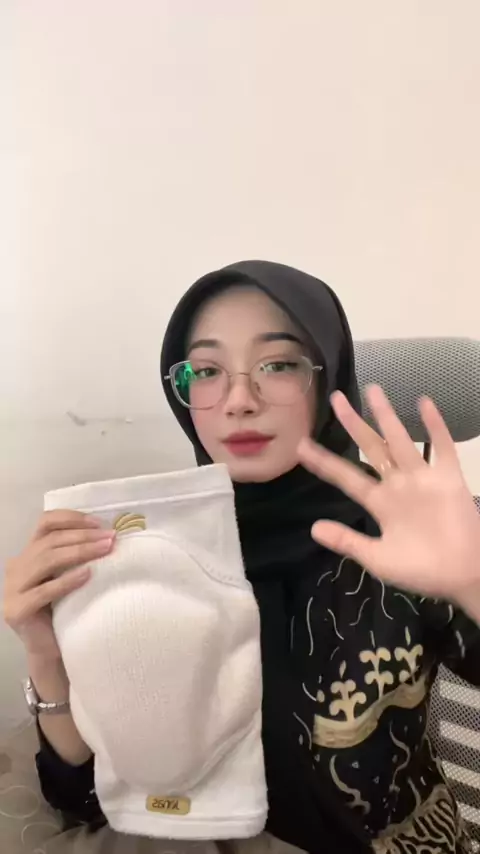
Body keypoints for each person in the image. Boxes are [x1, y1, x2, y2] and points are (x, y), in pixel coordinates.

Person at [3, 260, 480, 854]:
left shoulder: (406, 534)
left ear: (329, 378)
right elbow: (86, 799)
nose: (238, 401)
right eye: (206, 371)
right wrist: (46, 652)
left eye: (278, 364)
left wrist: (472, 582)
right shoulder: (149, 555)